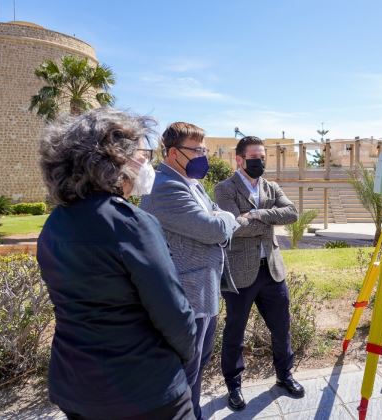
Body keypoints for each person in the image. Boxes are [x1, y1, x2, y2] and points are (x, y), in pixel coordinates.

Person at [37, 108, 199, 420]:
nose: (146, 162)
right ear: (116, 161)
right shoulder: (130, 224)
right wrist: (185, 356)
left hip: (75, 386)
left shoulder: (55, 223)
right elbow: (174, 314)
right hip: (143, 390)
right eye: (143, 153)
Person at [140, 122, 240, 420]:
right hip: (186, 297)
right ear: (173, 153)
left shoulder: (190, 183)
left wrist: (218, 219)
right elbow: (211, 227)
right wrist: (225, 219)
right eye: (196, 150)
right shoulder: (165, 186)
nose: (203, 156)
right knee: (184, 371)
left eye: (204, 150)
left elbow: (213, 218)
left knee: (197, 365)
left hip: (204, 292)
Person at [214, 136, 303, 411]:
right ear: (239, 159)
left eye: (263, 157)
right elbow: (234, 228)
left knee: (281, 327)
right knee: (235, 331)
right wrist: (266, 220)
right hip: (240, 272)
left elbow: (292, 213)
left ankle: (284, 375)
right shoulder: (224, 189)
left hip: (272, 270)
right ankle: (234, 386)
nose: (259, 162)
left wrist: (256, 214)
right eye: (254, 157)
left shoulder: (270, 186)